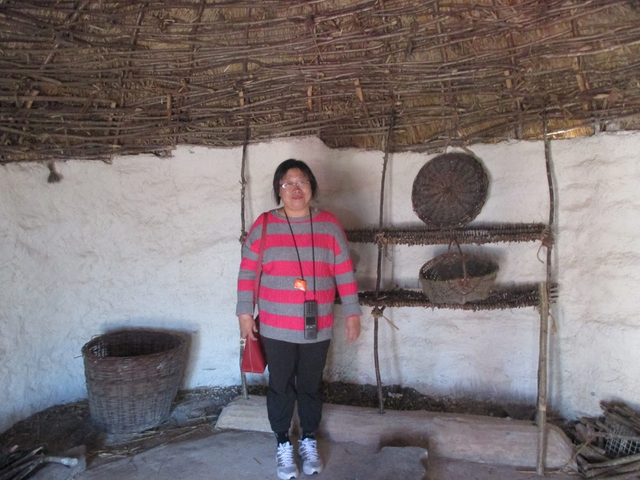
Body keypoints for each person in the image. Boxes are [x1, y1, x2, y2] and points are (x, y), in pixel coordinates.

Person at [236, 159, 362, 479]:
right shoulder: (264, 225)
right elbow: (248, 273)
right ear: (278, 190)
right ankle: (282, 442)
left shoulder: (329, 225)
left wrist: (352, 312)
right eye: (287, 183)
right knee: (280, 386)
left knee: (310, 385)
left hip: (316, 326)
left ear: (312, 188)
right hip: (276, 328)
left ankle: (307, 438)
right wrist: (244, 313)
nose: (295, 188)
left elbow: (344, 272)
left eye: (302, 182)